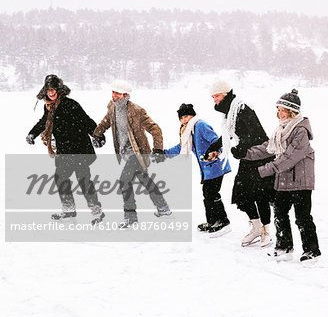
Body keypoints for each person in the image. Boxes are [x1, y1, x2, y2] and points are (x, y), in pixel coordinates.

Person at [244, 89, 321, 263]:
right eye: (278, 109)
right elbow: (268, 147)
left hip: (301, 182)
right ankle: (284, 247)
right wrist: (246, 153)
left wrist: (264, 170)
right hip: (284, 181)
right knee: (279, 214)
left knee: (302, 218)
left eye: (282, 110)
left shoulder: (300, 131)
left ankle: (311, 251)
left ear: (292, 111)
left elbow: (289, 158)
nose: (279, 113)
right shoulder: (281, 130)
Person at [204, 79, 275, 247]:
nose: (214, 100)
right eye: (213, 97)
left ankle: (266, 230)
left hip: (260, 157)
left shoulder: (242, 109)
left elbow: (255, 134)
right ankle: (256, 227)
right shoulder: (229, 113)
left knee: (261, 196)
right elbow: (228, 134)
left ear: (226, 94)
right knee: (242, 194)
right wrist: (214, 148)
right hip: (247, 158)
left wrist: (241, 148)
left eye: (217, 96)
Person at [26, 74, 105, 224]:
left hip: (79, 148)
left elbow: (86, 120)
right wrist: (32, 133)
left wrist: (98, 136)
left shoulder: (71, 104)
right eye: (49, 89)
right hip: (64, 150)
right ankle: (69, 210)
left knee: (84, 181)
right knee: (61, 179)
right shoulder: (49, 106)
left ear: (59, 89)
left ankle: (97, 212)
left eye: (54, 89)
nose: (51, 92)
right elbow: (44, 122)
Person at [92, 80, 171, 229]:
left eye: (117, 93)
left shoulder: (136, 111)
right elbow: (106, 122)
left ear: (125, 95)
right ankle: (163, 208)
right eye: (113, 92)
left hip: (139, 153)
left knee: (124, 181)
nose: (114, 95)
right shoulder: (112, 107)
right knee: (145, 180)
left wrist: (158, 149)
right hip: (125, 152)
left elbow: (155, 129)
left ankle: (130, 216)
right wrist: (97, 134)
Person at [164, 103, 231, 237]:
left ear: (193, 116)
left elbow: (216, 141)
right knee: (208, 193)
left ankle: (223, 221)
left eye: (187, 116)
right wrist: (165, 153)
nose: (184, 120)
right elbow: (181, 147)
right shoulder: (188, 131)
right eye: (181, 118)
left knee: (211, 193)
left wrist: (213, 154)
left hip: (215, 165)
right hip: (206, 169)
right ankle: (212, 220)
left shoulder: (200, 125)